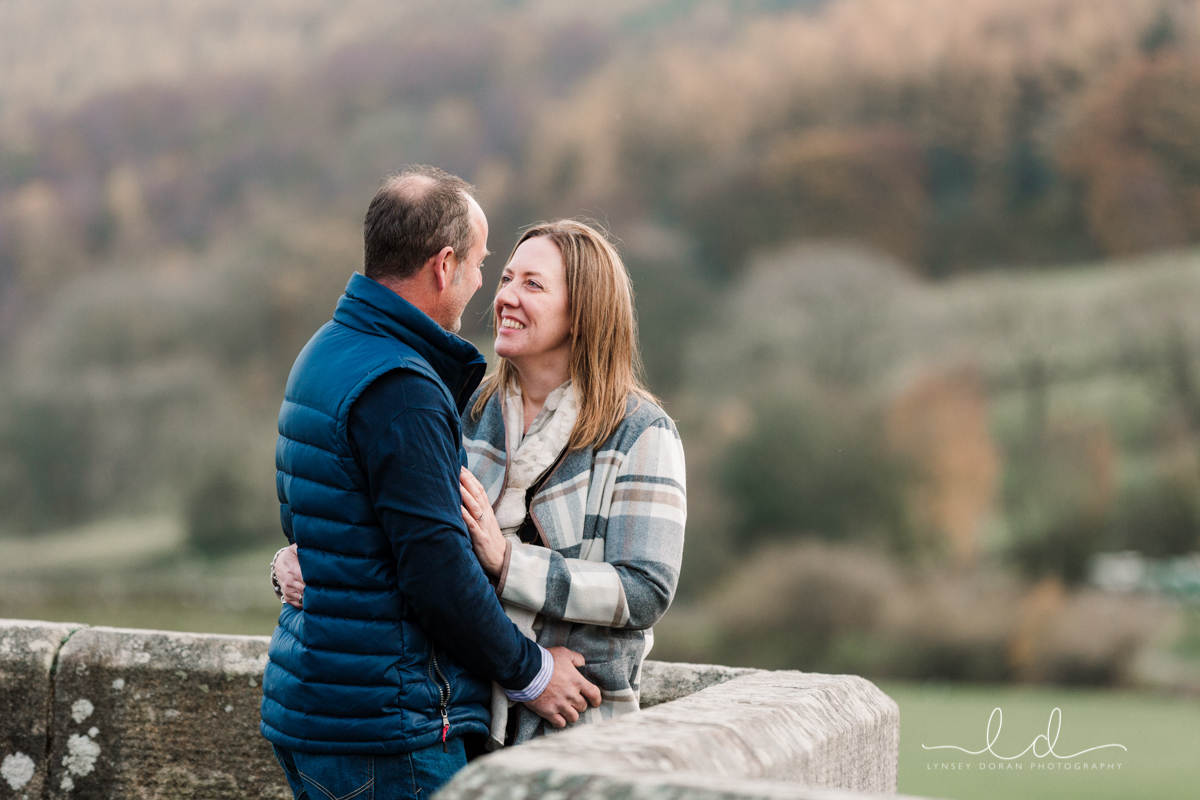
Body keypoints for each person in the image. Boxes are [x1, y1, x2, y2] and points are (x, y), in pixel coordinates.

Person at [277, 219, 687, 749]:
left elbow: (646, 589)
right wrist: (296, 558)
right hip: (460, 719)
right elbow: (409, 542)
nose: (506, 297)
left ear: (584, 314)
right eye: (506, 278)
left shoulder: (640, 432)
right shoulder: (464, 406)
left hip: (578, 727)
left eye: (532, 285)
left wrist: (509, 563)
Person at [261, 167, 601, 800]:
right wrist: (532, 673)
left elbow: (322, 524)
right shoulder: (404, 389)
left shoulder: (326, 349)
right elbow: (436, 571)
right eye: (482, 266)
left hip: (318, 703)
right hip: (386, 726)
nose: (483, 285)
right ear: (444, 266)